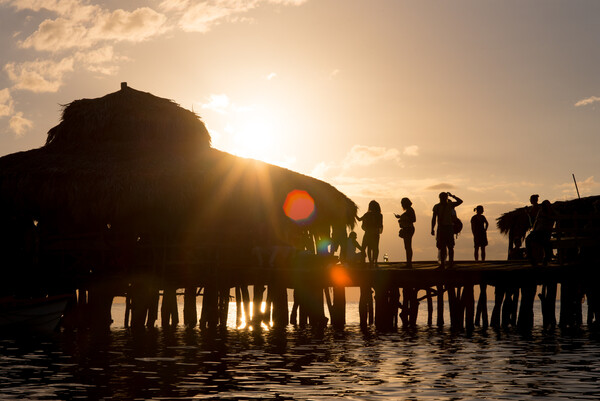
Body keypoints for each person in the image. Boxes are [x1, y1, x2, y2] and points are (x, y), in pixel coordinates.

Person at [431, 192, 463, 269]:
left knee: (450, 246)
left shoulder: (450, 205)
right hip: (442, 228)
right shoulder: (437, 207)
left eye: (444, 197)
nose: (443, 199)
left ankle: (450, 263)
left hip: (448, 228)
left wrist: (452, 196)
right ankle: (443, 264)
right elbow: (434, 218)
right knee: (442, 247)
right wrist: (432, 228)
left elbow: (460, 201)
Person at [526, 199, 556, 266]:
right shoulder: (541, 211)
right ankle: (531, 258)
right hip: (539, 232)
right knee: (528, 240)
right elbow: (536, 222)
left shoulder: (549, 212)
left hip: (543, 233)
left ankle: (533, 258)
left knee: (530, 240)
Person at [357, 200, 383, 267]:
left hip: (368, 233)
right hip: (375, 234)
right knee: (375, 248)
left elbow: (359, 219)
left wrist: (354, 214)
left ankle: (370, 262)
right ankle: (375, 262)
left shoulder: (367, 214)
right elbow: (380, 225)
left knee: (367, 248)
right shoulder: (380, 215)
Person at [395, 197, 416, 268]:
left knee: (408, 246)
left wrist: (403, 218)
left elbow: (413, 219)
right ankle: (408, 262)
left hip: (408, 229)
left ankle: (409, 263)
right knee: (407, 247)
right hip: (407, 228)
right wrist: (401, 217)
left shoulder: (410, 210)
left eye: (402, 204)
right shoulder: (409, 210)